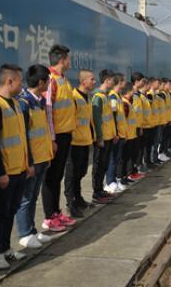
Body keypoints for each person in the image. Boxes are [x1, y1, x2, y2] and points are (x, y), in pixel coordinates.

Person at [0, 64, 32, 269]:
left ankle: (6, 249)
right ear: (10, 81)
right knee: (0, 212)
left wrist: (28, 163)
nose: (22, 85)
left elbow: (22, 138)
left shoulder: (15, 104)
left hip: (19, 169)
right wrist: (0, 173)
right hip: (6, 172)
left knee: (11, 210)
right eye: (20, 81)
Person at [15, 65, 54, 249]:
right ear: (41, 82)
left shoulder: (38, 101)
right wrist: (28, 162)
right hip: (32, 161)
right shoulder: (24, 103)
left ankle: (31, 230)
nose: (49, 83)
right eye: (48, 80)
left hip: (41, 158)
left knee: (33, 196)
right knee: (26, 197)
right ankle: (24, 233)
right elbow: (23, 135)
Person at [42, 44, 77, 231]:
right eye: (68, 59)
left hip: (65, 134)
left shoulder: (63, 79)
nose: (70, 62)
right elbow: (48, 111)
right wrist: (52, 139)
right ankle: (49, 216)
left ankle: (56, 212)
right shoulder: (50, 80)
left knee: (58, 176)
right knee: (51, 176)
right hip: (56, 137)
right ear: (62, 60)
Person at [64, 69, 96, 217]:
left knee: (81, 171)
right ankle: (71, 203)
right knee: (72, 174)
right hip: (75, 142)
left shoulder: (87, 97)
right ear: (83, 82)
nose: (94, 82)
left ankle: (78, 197)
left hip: (85, 140)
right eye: (92, 79)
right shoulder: (74, 97)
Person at [91, 69, 117, 203]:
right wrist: (99, 137)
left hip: (108, 137)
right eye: (113, 80)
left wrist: (113, 134)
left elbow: (109, 118)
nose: (114, 83)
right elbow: (96, 119)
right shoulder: (97, 97)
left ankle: (100, 190)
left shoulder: (105, 96)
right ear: (107, 81)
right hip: (102, 139)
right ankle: (96, 192)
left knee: (104, 165)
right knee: (98, 166)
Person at [106, 73, 128, 194]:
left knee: (116, 158)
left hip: (121, 132)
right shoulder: (113, 97)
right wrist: (115, 133)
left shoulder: (118, 96)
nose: (125, 83)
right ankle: (110, 182)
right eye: (124, 81)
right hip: (117, 134)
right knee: (113, 159)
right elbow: (113, 116)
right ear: (119, 82)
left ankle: (114, 180)